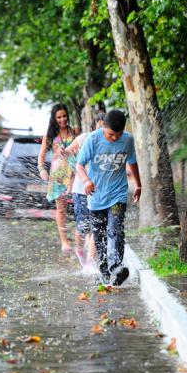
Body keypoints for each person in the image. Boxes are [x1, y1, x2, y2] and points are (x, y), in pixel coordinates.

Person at [75, 109, 142, 286]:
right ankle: (104, 270)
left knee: (116, 228)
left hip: (118, 194)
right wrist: (86, 180)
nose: (114, 138)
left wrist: (138, 185)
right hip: (96, 197)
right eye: (111, 134)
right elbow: (79, 165)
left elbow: (133, 162)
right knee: (100, 235)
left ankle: (116, 267)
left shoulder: (127, 140)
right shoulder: (93, 139)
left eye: (118, 135)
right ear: (104, 126)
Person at [64, 112, 106, 272]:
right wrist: (74, 169)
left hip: (98, 191)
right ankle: (79, 250)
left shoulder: (110, 142)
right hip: (80, 190)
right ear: (94, 126)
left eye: (105, 126)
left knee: (97, 226)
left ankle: (89, 263)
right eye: (100, 125)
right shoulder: (84, 138)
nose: (102, 129)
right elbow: (66, 152)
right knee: (82, 227)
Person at [38, 103, 76, 255]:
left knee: (82, 205)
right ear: (54, 118)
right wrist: (42, 170)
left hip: (75, 173)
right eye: (59, 117)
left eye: (64, 116)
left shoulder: (75, 131)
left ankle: (83, 237)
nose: (62, 119)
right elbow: (41, 156)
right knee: (61, 209)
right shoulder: (50, 135)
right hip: (58, 176)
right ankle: (64, 241)